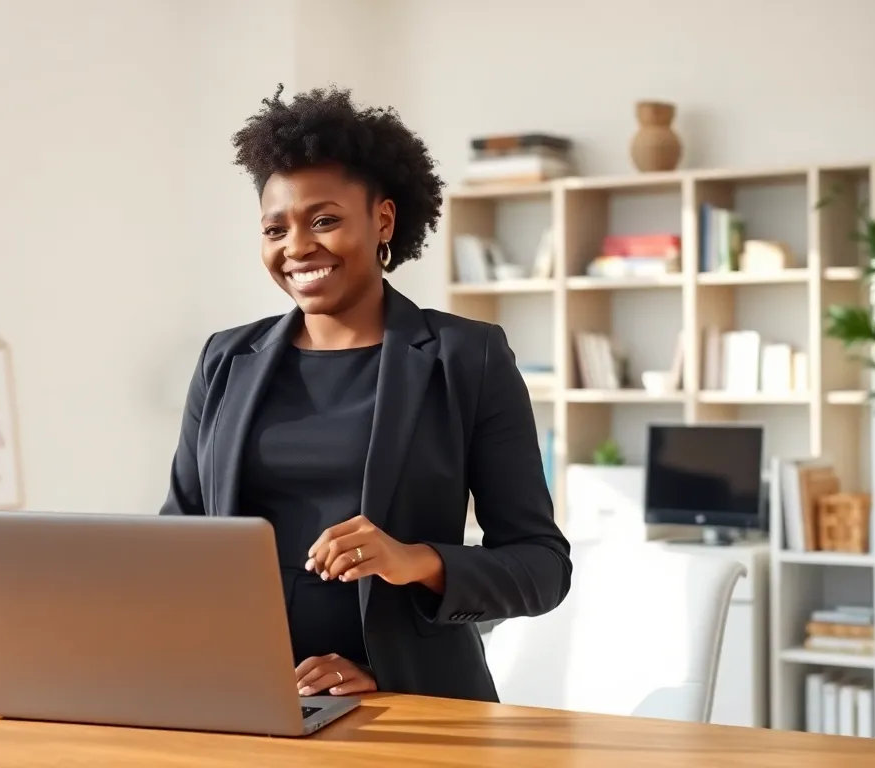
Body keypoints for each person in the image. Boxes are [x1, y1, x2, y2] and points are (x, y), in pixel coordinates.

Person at [158, 84, 571, 703]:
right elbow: (178, 544)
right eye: (276, 228)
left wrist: (414, 561)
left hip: (409, 704)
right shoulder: (226, 360)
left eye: (324, 220)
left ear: (383, 219)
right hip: (245, 696)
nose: (297, 247)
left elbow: (541, 568)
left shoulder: (468, 357)